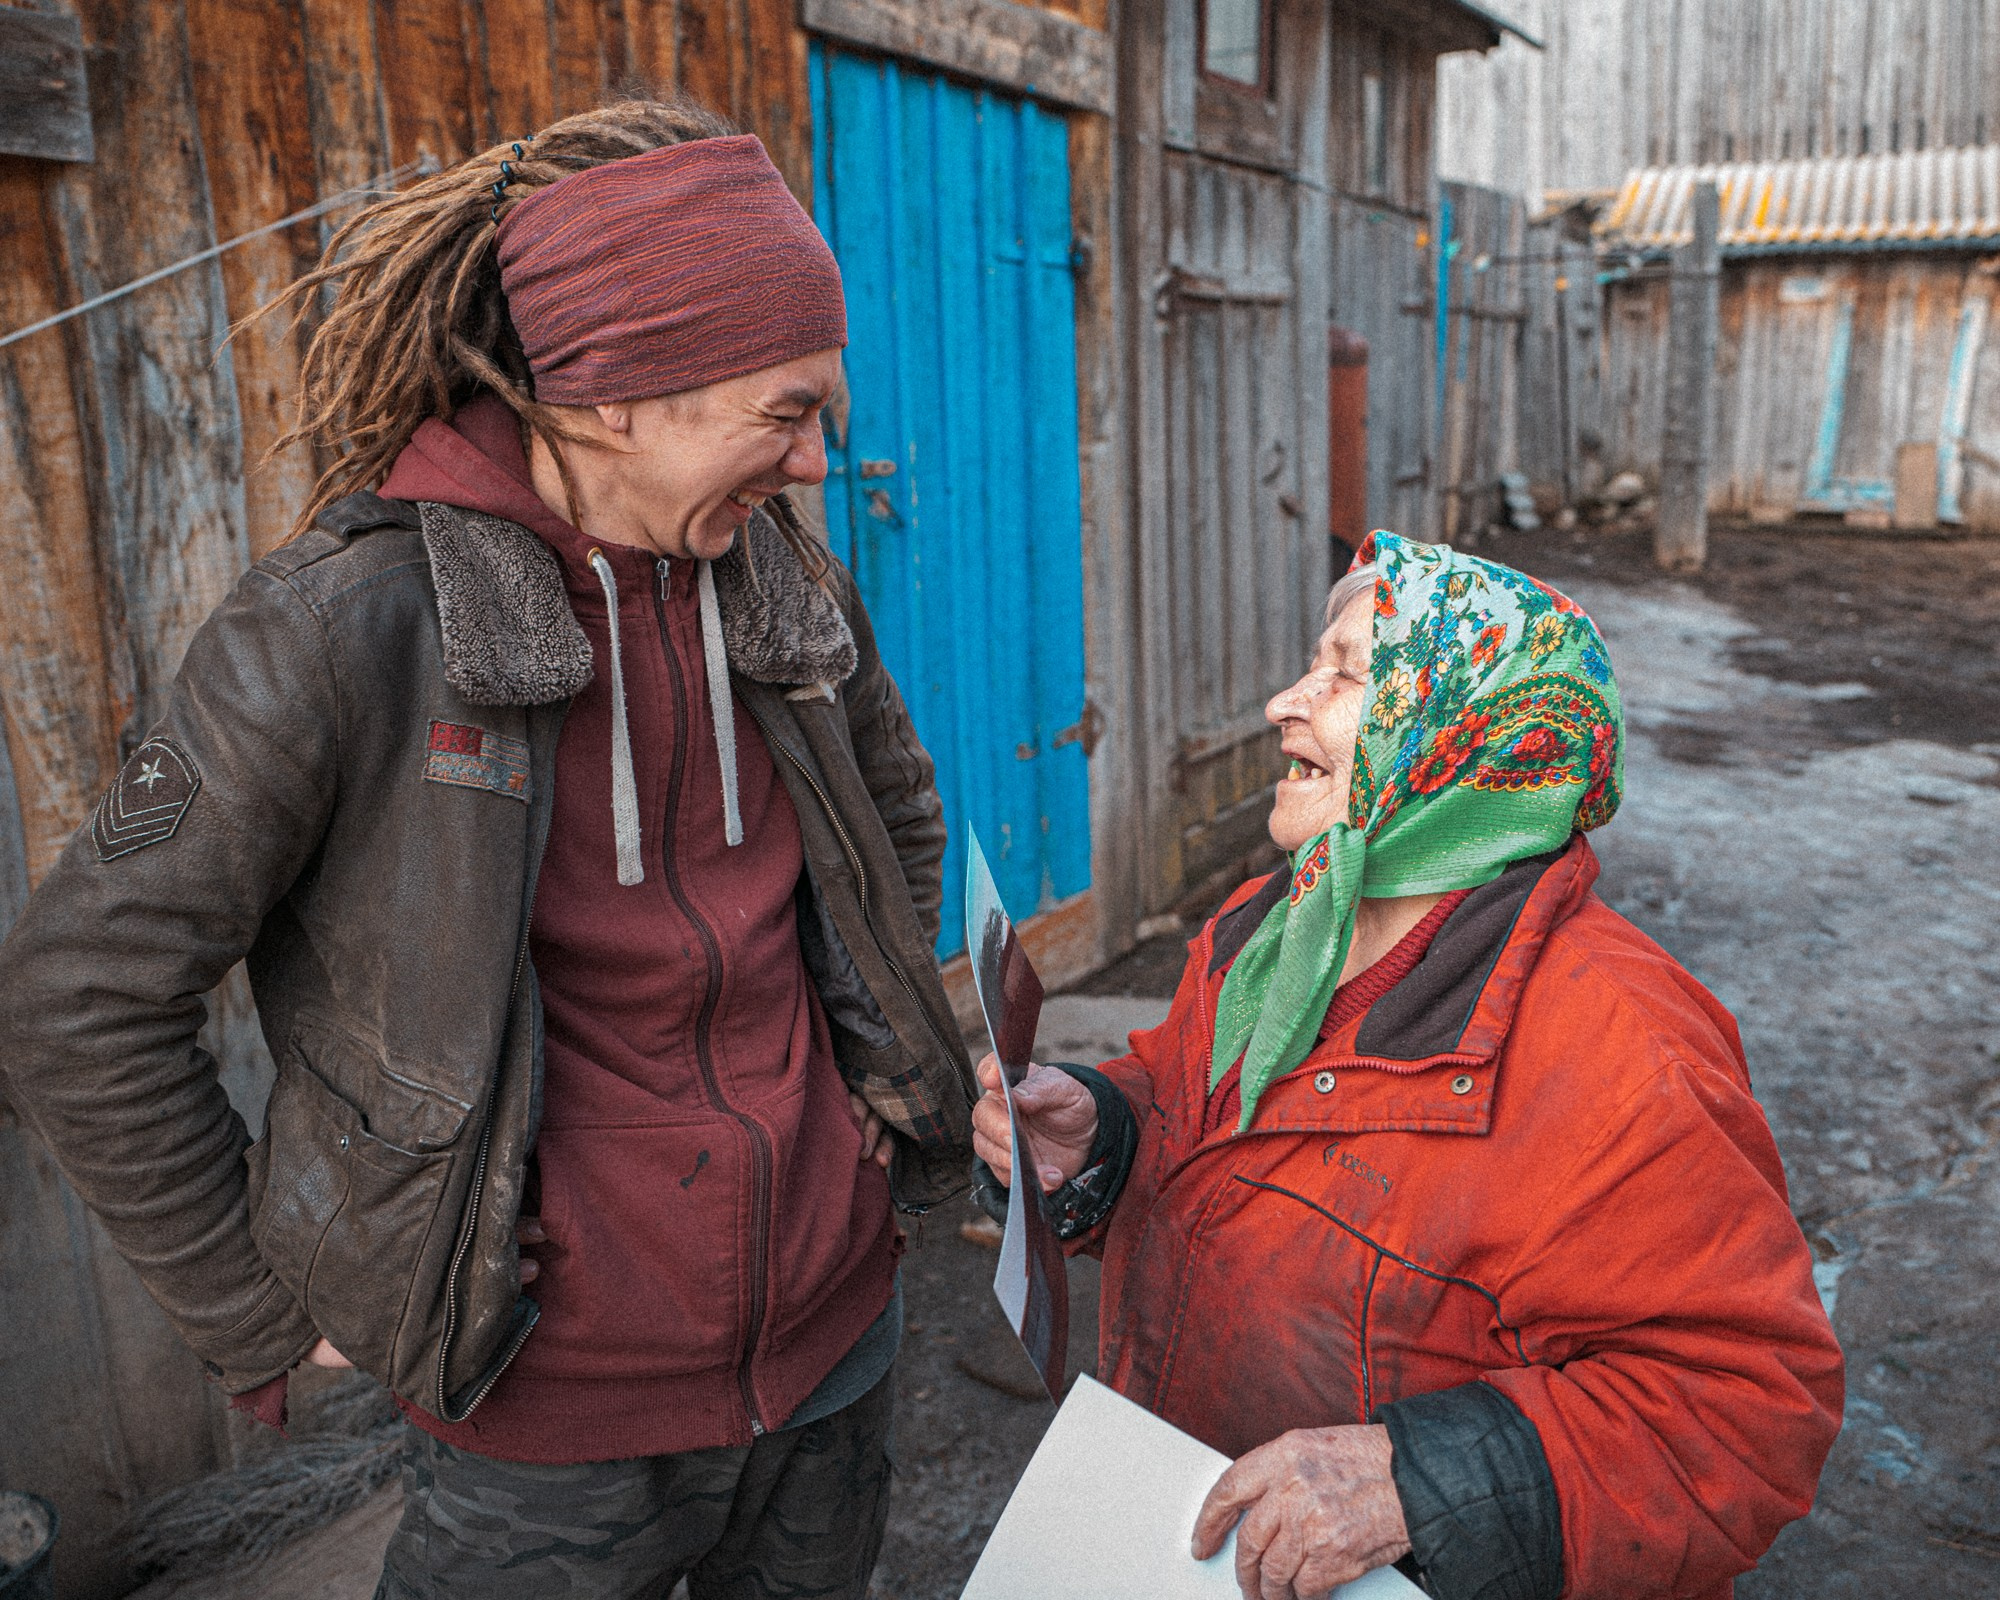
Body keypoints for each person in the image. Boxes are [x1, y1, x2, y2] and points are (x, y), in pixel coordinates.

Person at [0, 98, 975, 1599]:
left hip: (837, 1347)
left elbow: (893, 814)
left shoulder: (779, 578)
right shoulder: (345, 627)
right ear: (608, 398)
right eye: (784, 414)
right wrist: (264, 1307)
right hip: (548, 1421)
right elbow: (78, 994)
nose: (811, 467)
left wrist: (862, 1104)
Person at [973, 532, 1843, 1600]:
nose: (1283, 702)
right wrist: (1105, 1129)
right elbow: (1213, 1120)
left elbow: (1745, 1412)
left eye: (1343, 672)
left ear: (1467, 731)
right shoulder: (1274, 930)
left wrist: (1416, 1483)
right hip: (1192, 1533)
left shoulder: (1620, 1047)